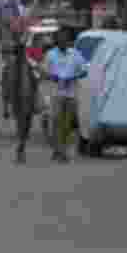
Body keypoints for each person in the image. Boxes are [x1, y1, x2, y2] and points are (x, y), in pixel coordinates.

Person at [41, 30, 89, 163]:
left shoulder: (75, 54)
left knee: (67, 125)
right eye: (60, 39)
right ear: (57, 41)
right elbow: (43, 71)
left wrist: (73, 78)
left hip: (71, 94)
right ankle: (59, 150)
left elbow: (84, 71)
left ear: (68, 41)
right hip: (56, 94)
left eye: (65, 39)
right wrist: (53, 77)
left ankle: (61, 150)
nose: (63, 41)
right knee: (56, 122)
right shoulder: (50, 55)